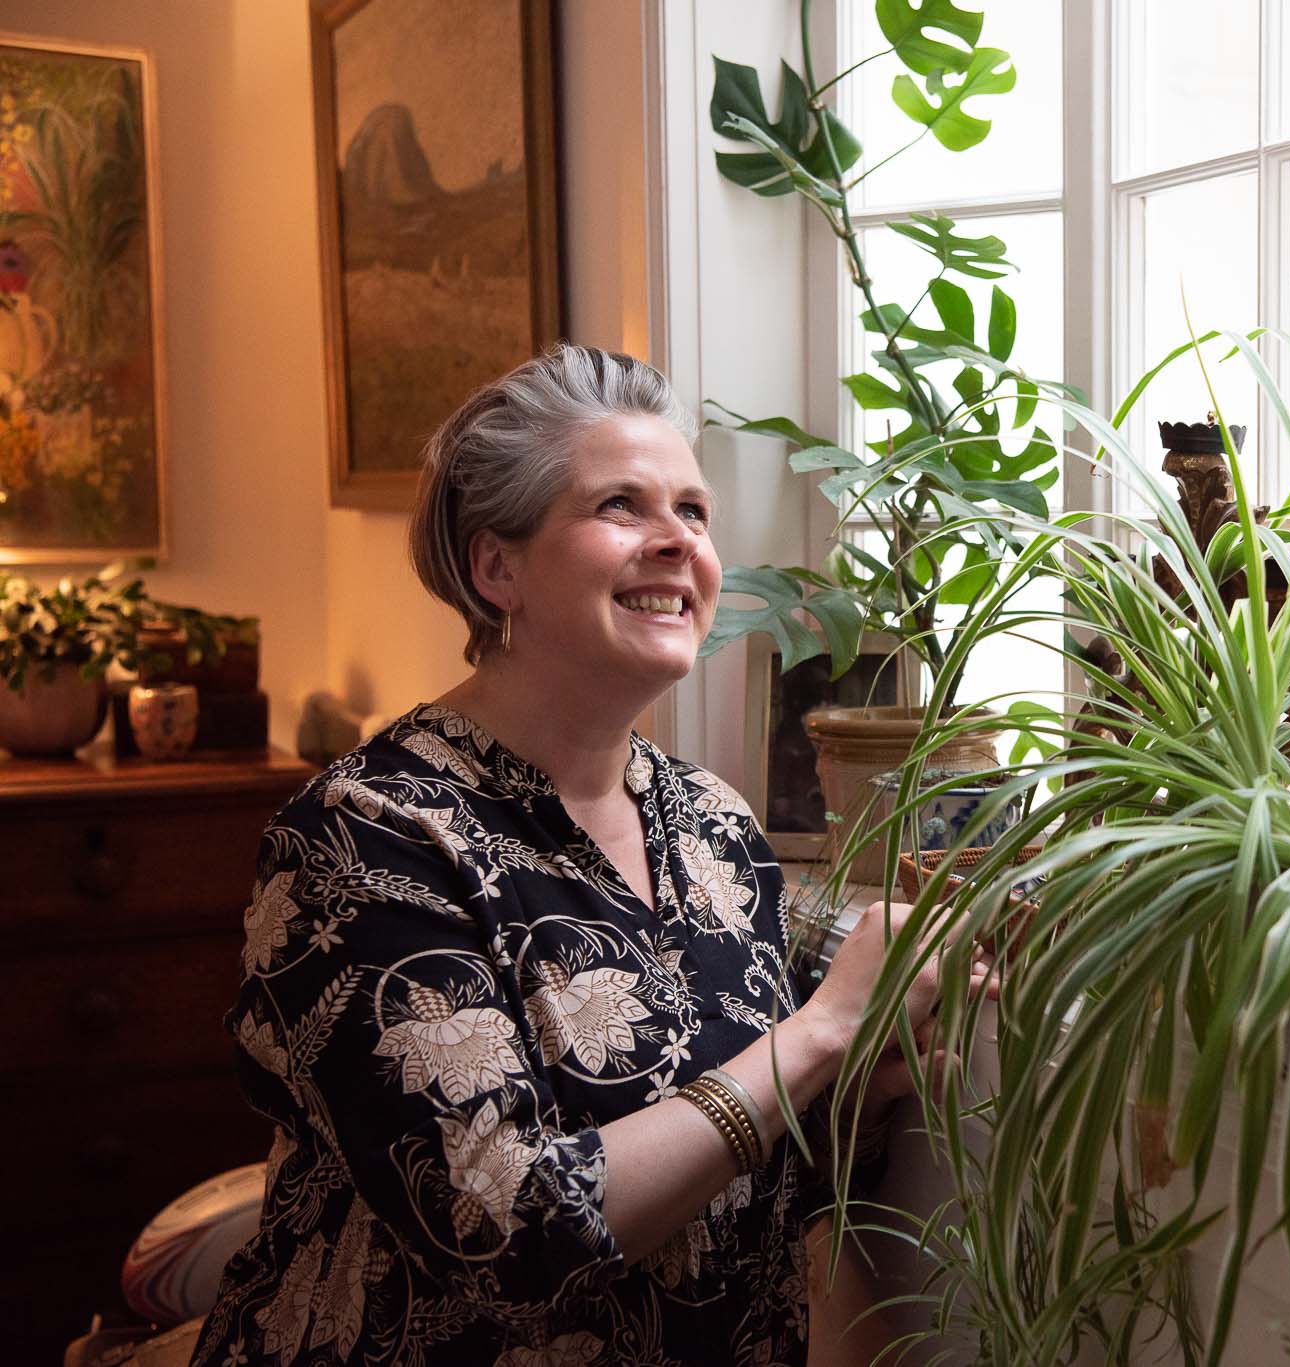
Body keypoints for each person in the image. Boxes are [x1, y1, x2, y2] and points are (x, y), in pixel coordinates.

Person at [192, 345, 977, 1366]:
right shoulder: (367, 836)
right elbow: (508, 1228)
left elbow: (746, 1162)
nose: (676, 543)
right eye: (621, 505)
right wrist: (824, 1029)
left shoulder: (713, 824)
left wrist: (874, 1064)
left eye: (692, 511)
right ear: (496, 568)